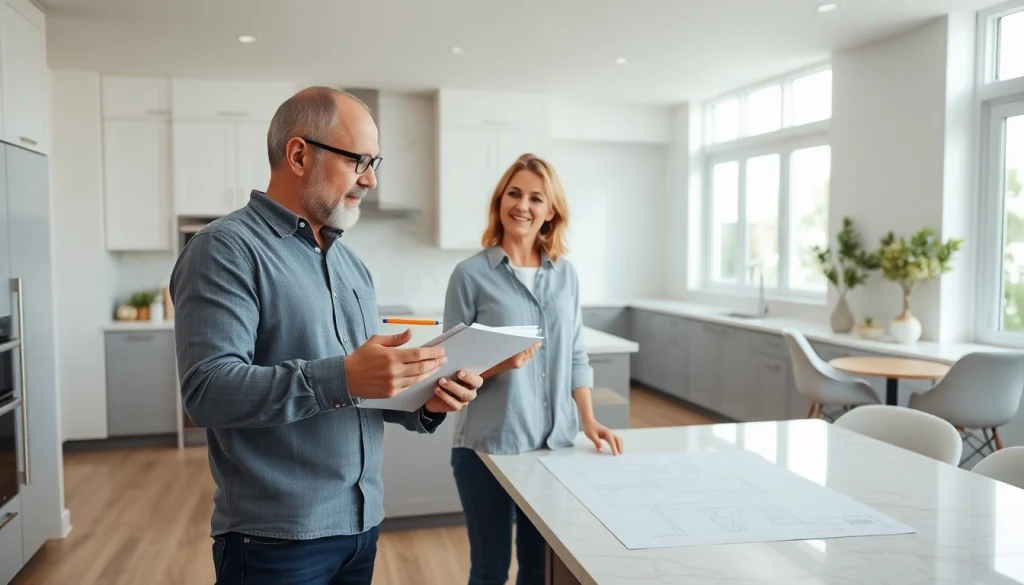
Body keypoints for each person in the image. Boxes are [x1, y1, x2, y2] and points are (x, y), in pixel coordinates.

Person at [170, 86, 483, 585]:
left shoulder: (351, 265)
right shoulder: (224, 250)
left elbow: (360, 391)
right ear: (299, 154)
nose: (371, 179)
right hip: (275, 541)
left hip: (361, 527)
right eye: (360, 160)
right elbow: (207, 392)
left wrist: (428, 401)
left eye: (375, 162)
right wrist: (343, 376)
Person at [443, 153, 624, 585]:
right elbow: (448, 374)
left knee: (538, 571)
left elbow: (576, 353)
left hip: (553, 446)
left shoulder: (566, 276)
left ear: (550, 212)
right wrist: (504, 362)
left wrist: (589, 420)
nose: (522, 205)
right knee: (489, 571)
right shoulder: (469, 275)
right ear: (500, 201)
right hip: (489, 446)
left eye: (535, 198)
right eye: (514, 193)